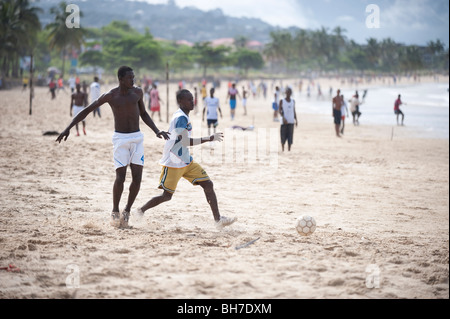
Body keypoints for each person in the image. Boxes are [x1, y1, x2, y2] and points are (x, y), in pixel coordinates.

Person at [56, 66, 170, 229]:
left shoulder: (137, 93)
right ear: (121, 79)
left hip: (137, 138)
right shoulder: (111, 96)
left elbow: (143, 113)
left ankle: (127, 210)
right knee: (121, 178)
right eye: (130, 77)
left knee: (137, 178)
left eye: (134, 77)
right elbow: (87, 110)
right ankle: (115, 209)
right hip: (120, 140)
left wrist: (157, 130)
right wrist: (68, 127)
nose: (133, 80)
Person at [133, 89, 237, 229]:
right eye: (188, 99)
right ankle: (140, 211)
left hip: (186, 159)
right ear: (180, 102)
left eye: (192, 99)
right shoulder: (180, 117)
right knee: (167, 196)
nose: (192, 101)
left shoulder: (184, 116)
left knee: (208, 184)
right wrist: (209, 138)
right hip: (174, 160)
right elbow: (185, 142)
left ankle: (218, 220)